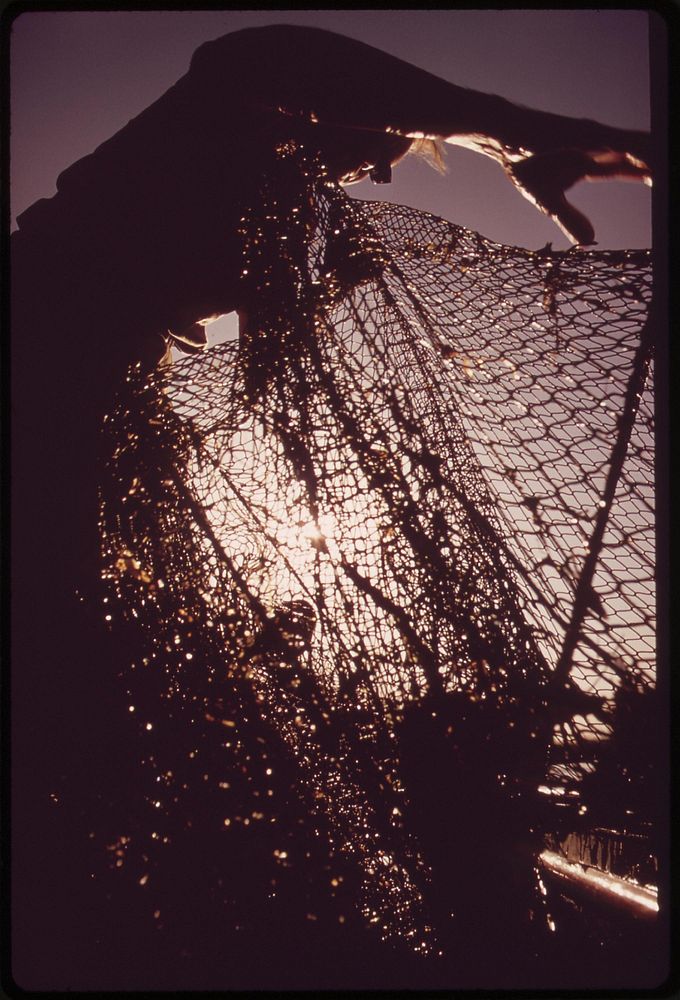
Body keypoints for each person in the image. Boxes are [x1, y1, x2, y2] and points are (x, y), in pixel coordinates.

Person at [10, 25, 653, 989]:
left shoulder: (253, 208)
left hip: (88, 419)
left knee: (84, 687)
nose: (385, 173)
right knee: (62, 689)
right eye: (388, 141)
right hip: (38, 380)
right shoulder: (209, 131)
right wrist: (517, 129)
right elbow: (259, 56)